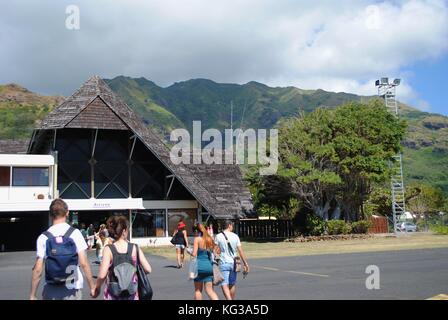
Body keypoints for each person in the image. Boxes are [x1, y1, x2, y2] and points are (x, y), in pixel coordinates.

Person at [29, 199, 96, 300]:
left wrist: (32, 295)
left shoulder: (43, 237)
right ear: (67, 213)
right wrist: (92, 286)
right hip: (72, 287)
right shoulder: (75, 233)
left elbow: (38, 269)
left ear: (50, 215)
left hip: (51, 287)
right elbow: (84, 263)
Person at [93, 215, 151, 300]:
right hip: (132, 293)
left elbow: (102, 275)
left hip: (113, 293)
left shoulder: (109, 249)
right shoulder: (135, 247)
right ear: (124, 231)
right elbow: (148, 269)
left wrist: (97, 287)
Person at [215, 220, 250, 300]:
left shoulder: (218, 236)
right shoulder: (235, 236)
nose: (232, 227)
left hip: (223, 262)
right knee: (232, 284)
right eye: (232, 225)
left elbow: (215, 250)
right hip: (234, 263)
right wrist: (245, 263)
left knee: (224, 284)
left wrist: (216, 261)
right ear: (229, 225)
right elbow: (240, 251)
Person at [189, 223, 218, 300]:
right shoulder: (209, 239)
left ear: (196, 231)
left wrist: (189, 251)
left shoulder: (197, 239)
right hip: (209, 266)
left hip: (199, 266)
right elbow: (216, 251)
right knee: (210, 291)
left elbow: (194, 254)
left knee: (198, 290)